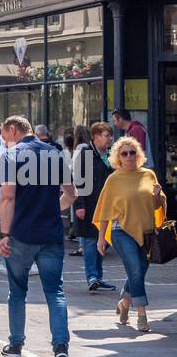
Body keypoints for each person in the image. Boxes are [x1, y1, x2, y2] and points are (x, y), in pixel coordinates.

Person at [0, 115, 76, 357]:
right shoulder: (55, 153)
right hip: (51, 233)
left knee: (17, 291)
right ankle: (60, 347)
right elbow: (71, 193)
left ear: (13, 130)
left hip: (21, 233)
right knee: (55, 291)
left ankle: (16, 345)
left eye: (4, 134)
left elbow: (7, 198)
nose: (4, 139)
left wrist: (4, 234)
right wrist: (54, 208)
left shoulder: (12, 155)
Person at [94, 135, 165, 333]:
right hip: (121, 231)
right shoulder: (114, 179)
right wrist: (101, 238)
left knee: (139, 271)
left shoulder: (148, 175)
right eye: (124, 153)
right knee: (135, 269)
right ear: (118, 157)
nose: (129, 156)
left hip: (147, 232)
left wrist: (158, 195)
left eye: (132, 152)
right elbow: (104, 210)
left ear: (138, 154)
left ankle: (124, 303)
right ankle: (142, 315)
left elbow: (158, 205)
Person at [71, 123, 116, 290]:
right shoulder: (86, 155)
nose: (109, 139)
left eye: (110, 135)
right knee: (90, 241)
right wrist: (79, 204)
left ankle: (98, 276)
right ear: (96, 137)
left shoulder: (110, 156)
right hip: (89, 204)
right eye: (106, 135)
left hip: (106, 205)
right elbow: (78, 181)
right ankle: (92, 277)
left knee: (103, 240)